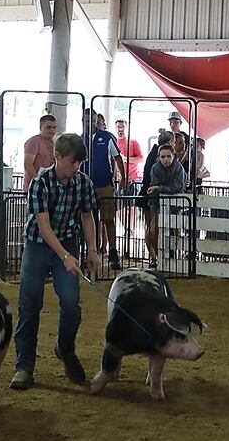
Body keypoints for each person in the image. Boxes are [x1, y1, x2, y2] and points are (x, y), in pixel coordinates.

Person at [11, 132, 98, 391]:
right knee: (30, 302)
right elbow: (43, 224)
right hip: (38, 245)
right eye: (73, 161)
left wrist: (92, 249)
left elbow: (87, 216)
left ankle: (65, 348)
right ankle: (24, 366)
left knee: (72, 302)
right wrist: (65, 256)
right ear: (57, 157)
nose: (77, 167)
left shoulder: (83, 183)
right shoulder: (40, 183)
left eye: (80, 162)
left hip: (68, 243)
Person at [85, 111, 122, 270]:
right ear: (83, 120)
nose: (90, 123)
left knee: (108, 218)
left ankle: (112, 251)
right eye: (87, 120)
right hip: (86, 186)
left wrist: (123, 179)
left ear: (96, 120)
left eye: (93, 120)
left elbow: (117, 157)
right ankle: (90, 251)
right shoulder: (79, 140)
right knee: (88, 219)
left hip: (105, 184)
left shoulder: (107, 137)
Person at [142, 142, 187, 267]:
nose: (165, 159)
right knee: (151, 232)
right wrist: (161, 189)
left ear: (174, 156)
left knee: (174, 231)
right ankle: (157, 258)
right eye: (162, 157)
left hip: (174, 206)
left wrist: (159, 188)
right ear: (159, 157)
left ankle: (170, 257)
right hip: (158, 205)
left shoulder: (178, 168)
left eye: (168, 156)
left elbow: (179, 187)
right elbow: (174, 187)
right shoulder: (155, 168)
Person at [24, 113, 58, 189]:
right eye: (48, 127)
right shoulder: (33, 141)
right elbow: (28, 165)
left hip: (51, 187)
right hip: (34, 187)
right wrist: (38, 182)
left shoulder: (56, 143)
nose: (52, 130)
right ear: (40, 127)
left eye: (54, 127)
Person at [113, 117, 142, 192]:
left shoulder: (133, 142)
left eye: (123, 127)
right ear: (115, 128)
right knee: (119, 202)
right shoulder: (113, 142)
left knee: (132, 202)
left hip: (133, 179)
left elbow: (141, 158)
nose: (120, 129)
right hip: (118, 179)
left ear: (127, 128)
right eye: (118, 127)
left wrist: (125, 159)